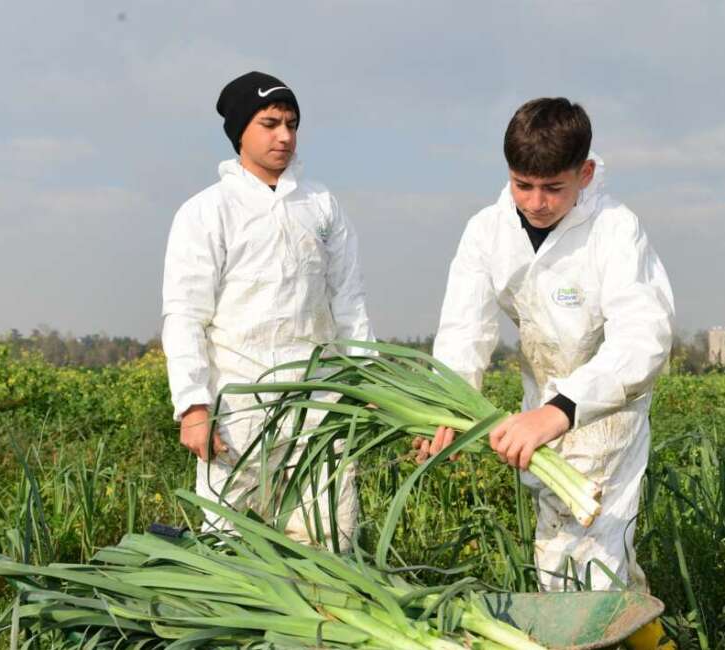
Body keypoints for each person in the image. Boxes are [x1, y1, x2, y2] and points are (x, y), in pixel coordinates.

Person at [418, 97, 675, 595]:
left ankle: (604, 620)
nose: (536, 203)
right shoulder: (487, 232)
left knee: (591, 569)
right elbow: (465, 331)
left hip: (606, 415)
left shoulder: (615, 230)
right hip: (539, 415)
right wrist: (446, 406)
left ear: (585, 173)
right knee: (566, 557)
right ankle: (647, 627)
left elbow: (644, 337)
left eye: (553, 188)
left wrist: (562, 409)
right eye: (523, 185)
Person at [161, 71, 374, 549]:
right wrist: (193, 406)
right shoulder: (207, 211)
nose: (285, 136)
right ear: (241, 130)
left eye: (292, 124)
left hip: (318, 409)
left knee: (328, 543)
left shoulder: (321, 205)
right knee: (233, 549)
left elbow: (349, 301)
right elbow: (185, 314)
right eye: (270, 123)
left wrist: (367, 377)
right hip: (238, 414)